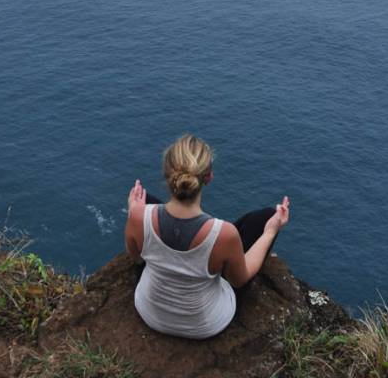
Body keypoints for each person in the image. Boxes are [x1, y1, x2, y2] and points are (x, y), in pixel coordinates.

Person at [124, 133, 290, 339]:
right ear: (208, 177)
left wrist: (135, 212)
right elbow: (239, 281)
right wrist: (271, 231)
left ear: (167, 175)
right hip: (203, 325)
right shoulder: (224, 233)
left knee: (145, 199)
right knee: (266, 217)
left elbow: (136, 259)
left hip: (151, 312)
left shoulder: (138, 215)